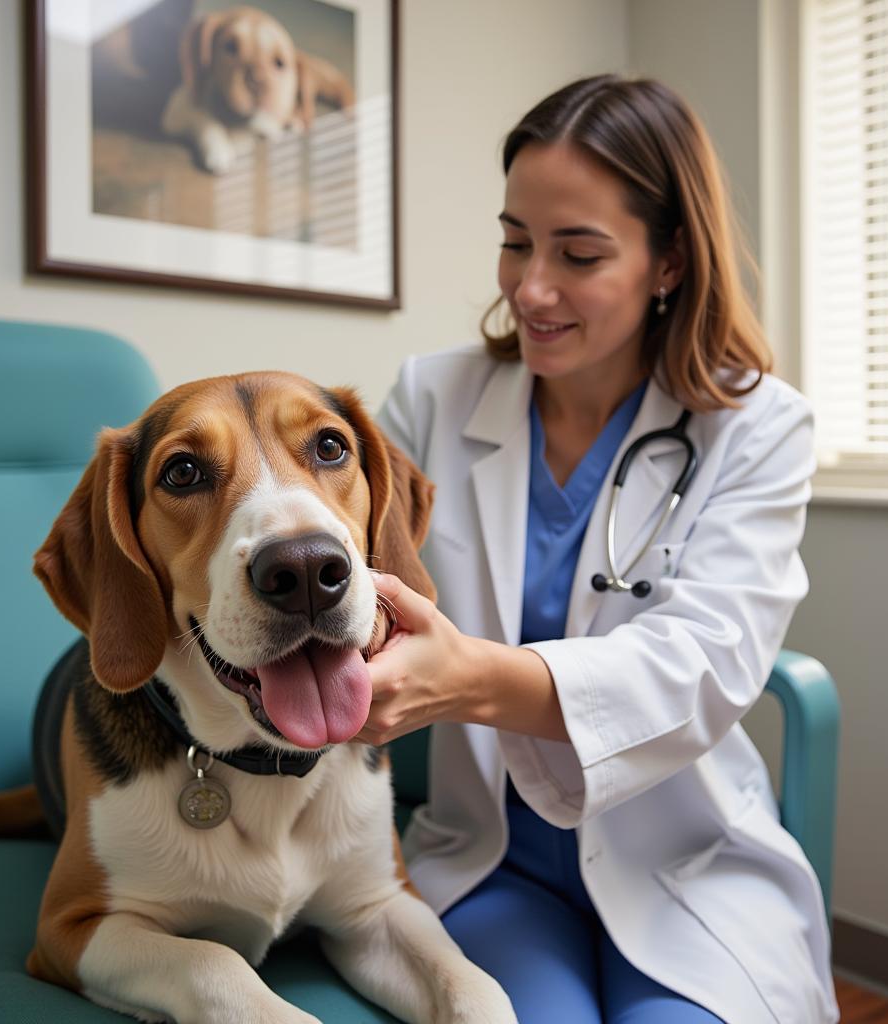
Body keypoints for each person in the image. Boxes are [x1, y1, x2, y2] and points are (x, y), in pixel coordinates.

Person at [358, 75, 838, 1023]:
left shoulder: (757, 427)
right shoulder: (432, 400)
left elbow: (705, 663)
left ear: (668, 263)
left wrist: (469, 677)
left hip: (688, 864)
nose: (530, 287)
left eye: (578, 254)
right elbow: (358, 591)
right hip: (496, 861)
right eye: (514, 242)